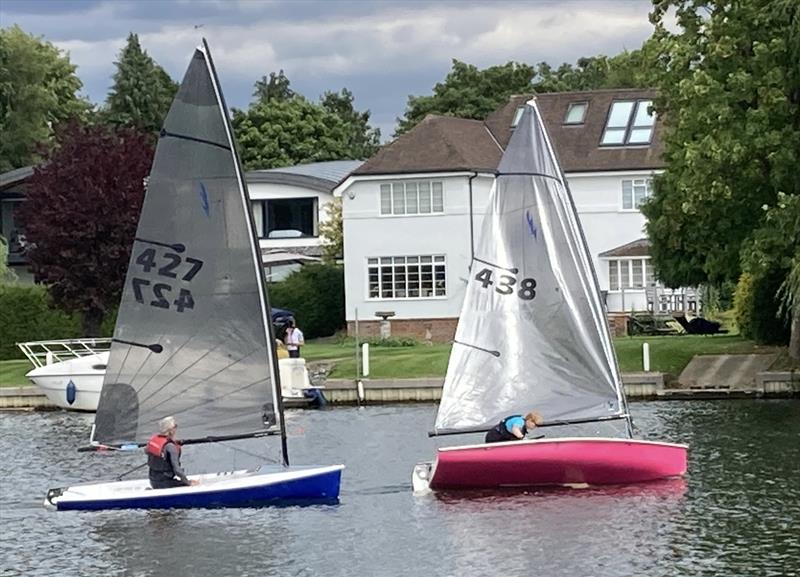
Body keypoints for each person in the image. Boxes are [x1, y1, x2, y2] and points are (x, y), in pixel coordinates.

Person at [146, 416, 199, 489]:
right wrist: (188, 482)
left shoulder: (154, 441)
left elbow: (147, 451)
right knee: (195, 484)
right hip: (165, 483)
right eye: (175, 426)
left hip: (153, 481)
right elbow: (177, 470)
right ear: (171, 430)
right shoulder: (171, 447)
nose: (176, 429)